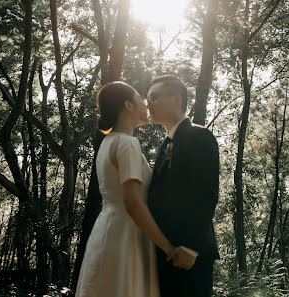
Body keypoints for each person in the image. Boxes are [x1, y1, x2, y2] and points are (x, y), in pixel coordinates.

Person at [75, 81, 194, 297]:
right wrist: (168, 248)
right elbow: (132, 203)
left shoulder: (108, 142)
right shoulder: (127, 144)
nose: (147, 104)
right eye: (141, 98)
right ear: (128, 105)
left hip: (106, 229)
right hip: (127, 235)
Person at [147, 75, 220, 297]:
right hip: (166, 252)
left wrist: (190, 247)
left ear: (176, 99)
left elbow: (205, 194)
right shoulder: (166, 143)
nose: (148, 103)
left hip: (190, 254)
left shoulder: (199, 136)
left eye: (154, 97)